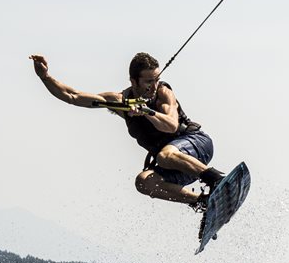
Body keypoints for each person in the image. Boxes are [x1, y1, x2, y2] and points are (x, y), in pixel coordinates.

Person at [29, 52, 225, 213]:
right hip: (178, 166)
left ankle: (218, 180)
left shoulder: (163, 93)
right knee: (143, 183)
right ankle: (203, 202)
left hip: (196, 145)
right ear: (134, 81)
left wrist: (147, 112)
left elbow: (171, 126)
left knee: (165, 155)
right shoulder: (120, 102)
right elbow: (72, 96)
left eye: (156, 79)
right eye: (148, 81)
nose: (154, 86)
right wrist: (45, 77)